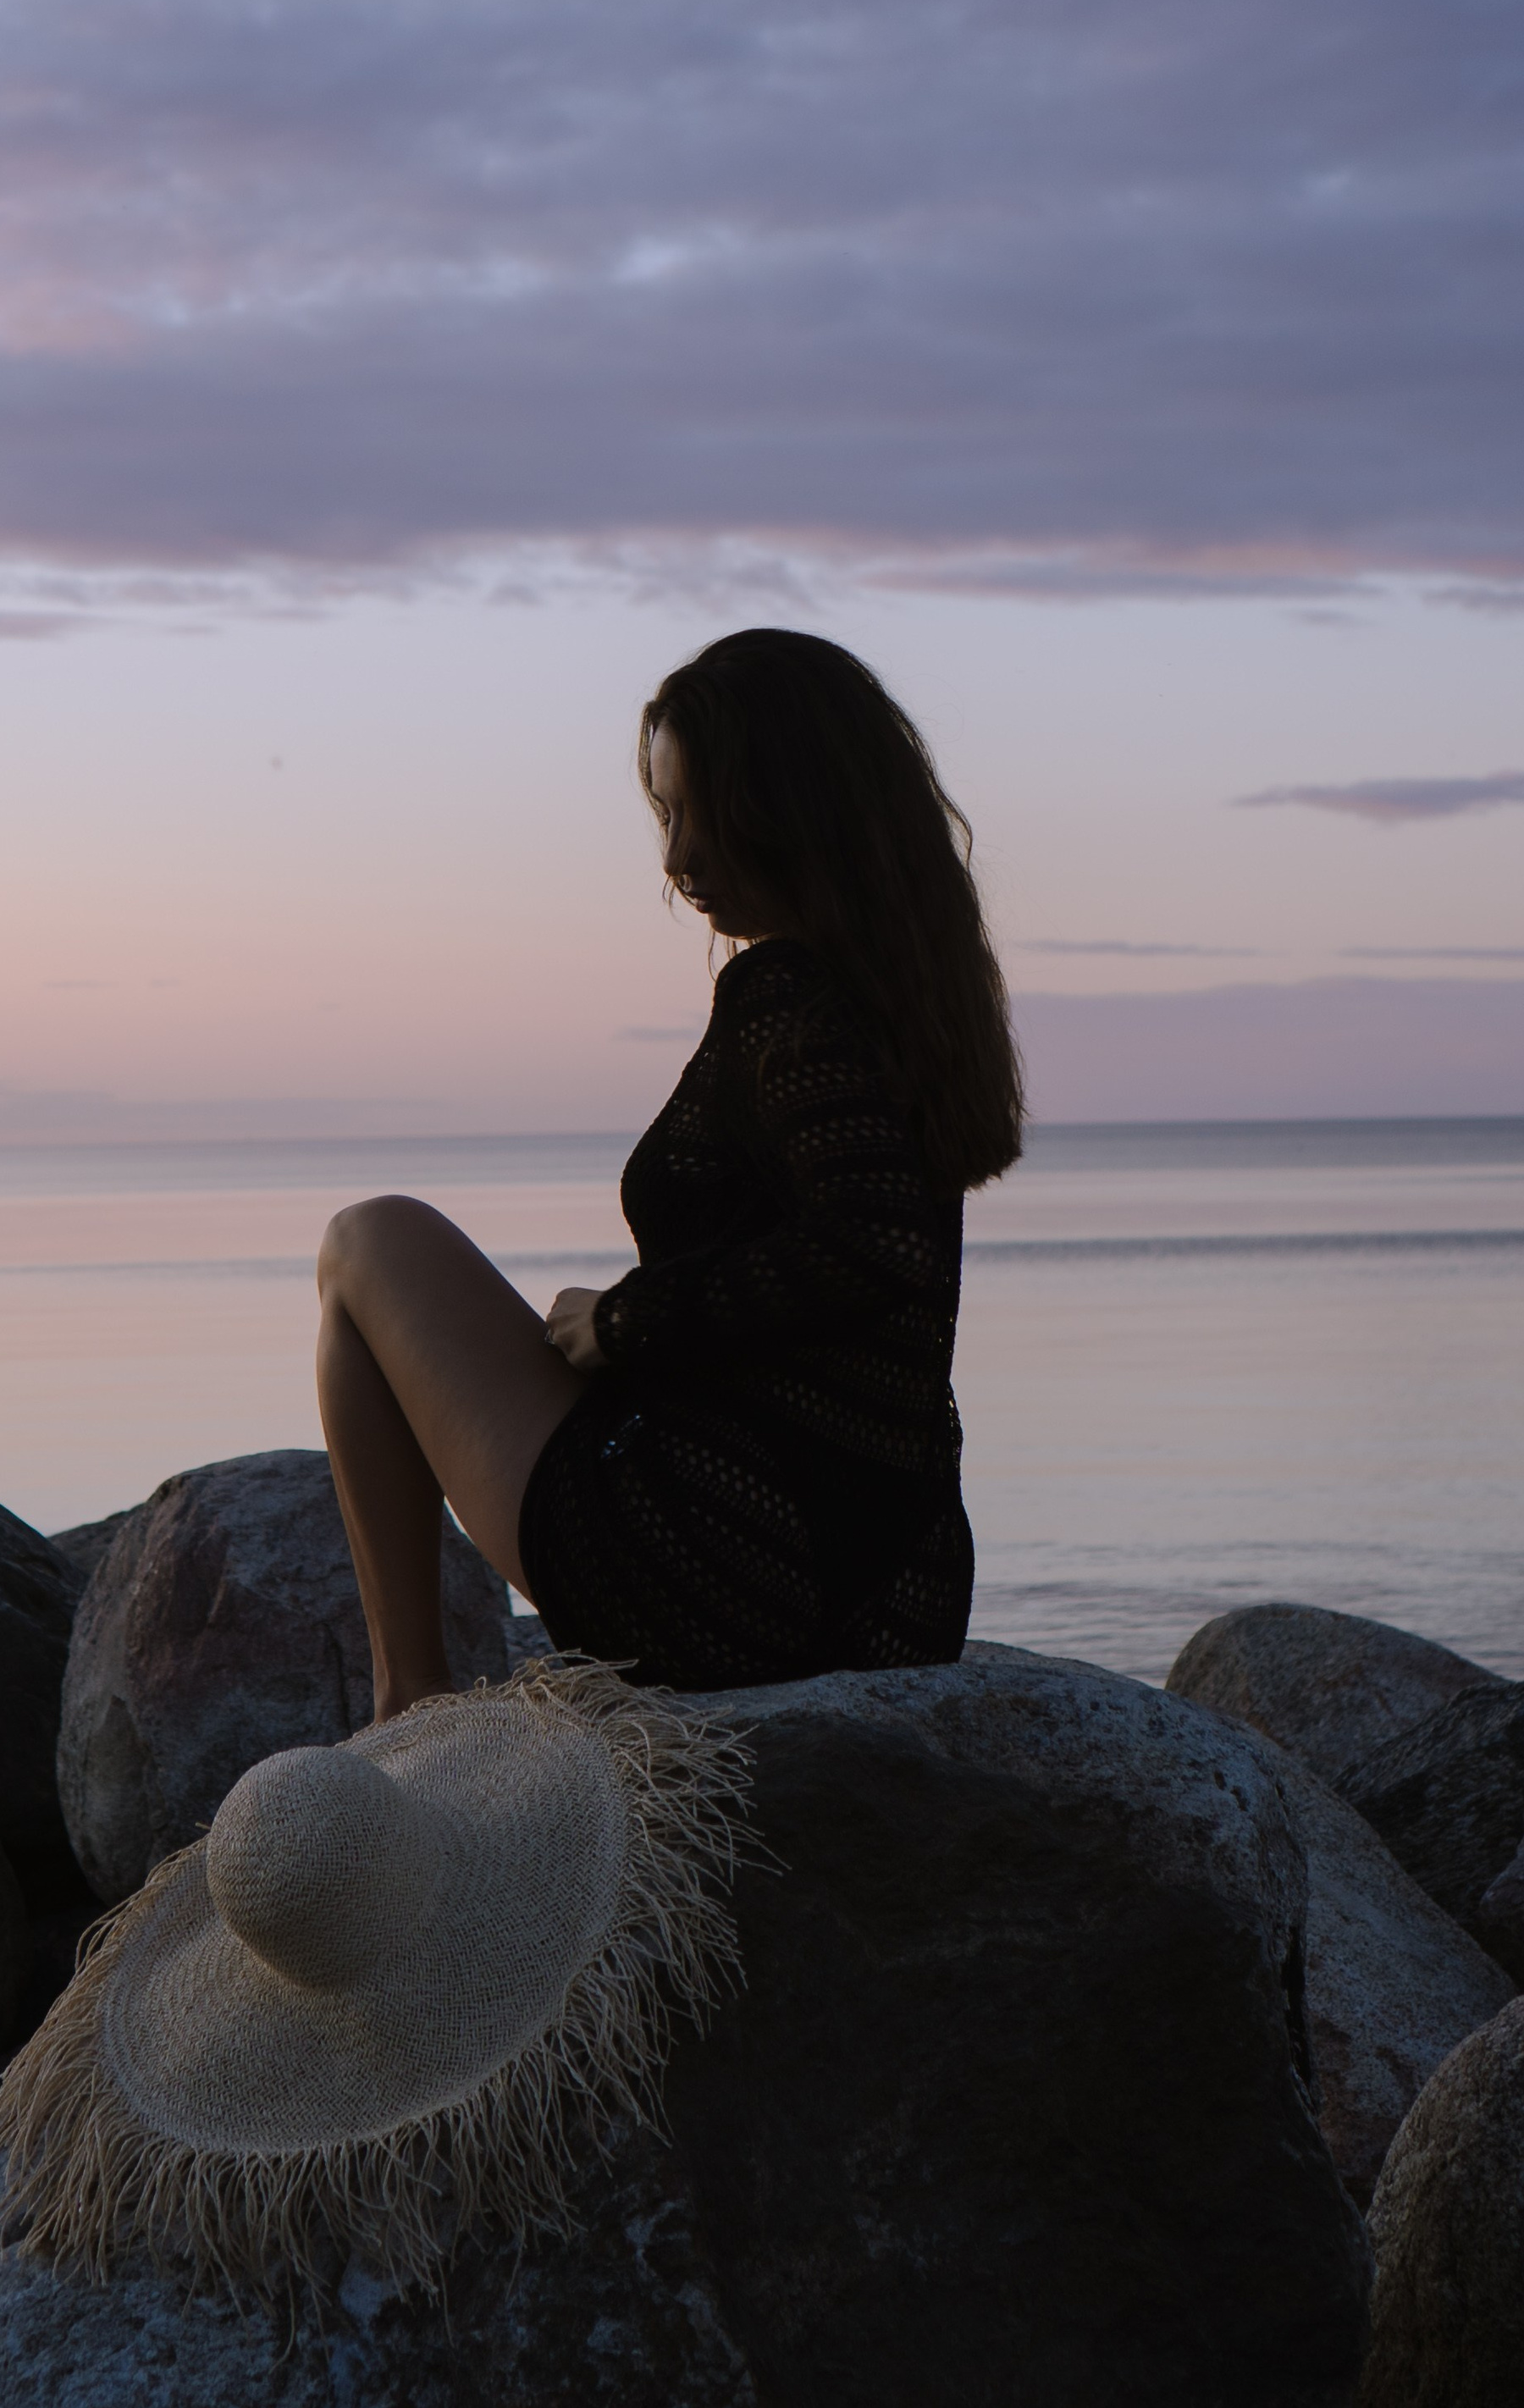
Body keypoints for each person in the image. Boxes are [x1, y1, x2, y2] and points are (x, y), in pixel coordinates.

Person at [315, 626, 1024, 1711]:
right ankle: (409, 1697)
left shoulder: (787, 995)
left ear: (794, 806)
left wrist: (625, 1321)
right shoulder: (900, 1004)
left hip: (724, 1566)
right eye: (667, 814)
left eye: (704, 813)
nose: (676, 857)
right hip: (893, 1599)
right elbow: (866, 1255)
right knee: (383, 1283)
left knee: (369, 1240)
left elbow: (873, 1249)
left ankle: (409, 1700)